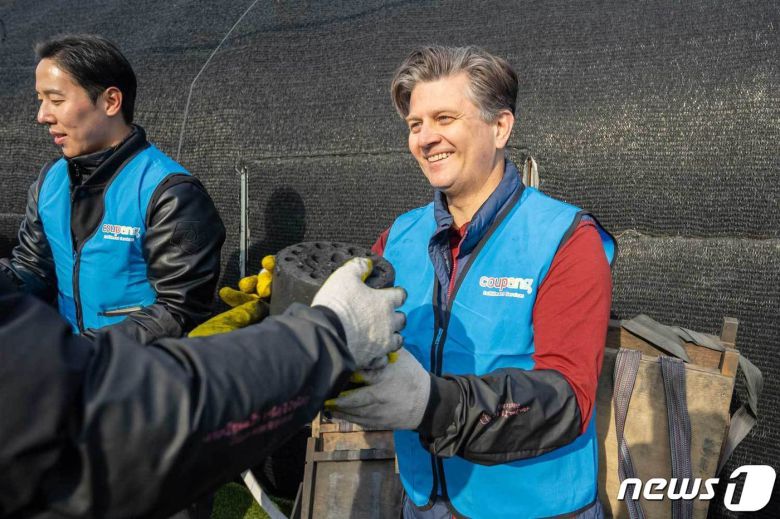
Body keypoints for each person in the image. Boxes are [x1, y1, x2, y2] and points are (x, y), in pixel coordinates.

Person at [329, 46, 616, 518]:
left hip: (531, 508)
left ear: (500, 127)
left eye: (444, 118)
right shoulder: (397, 238)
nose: (426, 138)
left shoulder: (564, 238)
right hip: (422, 503)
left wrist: (436, 406)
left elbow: (567, 398)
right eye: (415, 124)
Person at [0, 258, 406, 518]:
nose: (41, 116)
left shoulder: (165, 186)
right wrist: (322, 339)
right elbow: (98, 415)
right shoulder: (52, 183)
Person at [0, 34, 225, 343]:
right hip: (72, 368)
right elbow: (34, 268)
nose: (42, 116)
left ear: (110, 101)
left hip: (141, 374)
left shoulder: (171, 193)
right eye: (40, 100)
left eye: (55, 100)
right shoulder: (50, 181)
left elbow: (178, 309)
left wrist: (89, 352)